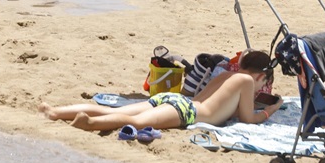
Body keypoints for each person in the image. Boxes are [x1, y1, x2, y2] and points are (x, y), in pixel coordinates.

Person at [41, 51, 281, 132]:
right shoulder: (247, 82)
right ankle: (89, 124)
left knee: (114, 109)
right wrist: (270, 109)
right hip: (187, 111)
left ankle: (56, 112)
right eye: (263, 83)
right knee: (134, 122)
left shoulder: (228, 73)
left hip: (175, 99)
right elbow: (248, 119)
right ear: (260, 76)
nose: (261, 88)